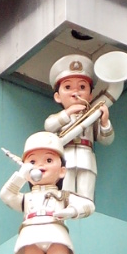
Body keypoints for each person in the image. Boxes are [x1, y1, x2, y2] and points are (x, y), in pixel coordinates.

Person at [0, 132, 92, 254]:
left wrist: (70, 211)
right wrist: (20, 175)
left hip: (56, 233)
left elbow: (88, 206)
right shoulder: (25, 198)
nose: (40, 165)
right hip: (30, 235)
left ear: (62, 171)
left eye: (48, 160)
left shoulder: (63, 195)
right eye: (33, 161)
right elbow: (6, 195)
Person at [43, 53, 115, 207]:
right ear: (57, 97)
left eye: (82, 87)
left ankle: (86, 214)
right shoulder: (58, 117)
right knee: (66, 192)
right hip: (65, 157)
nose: (75, 92)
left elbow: (107, 140)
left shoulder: (92, 116)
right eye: (68, 87)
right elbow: (49, 126)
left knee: (86, 194)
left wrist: (104, 122)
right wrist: (68, 113)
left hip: (87, 158)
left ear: (90, 96)